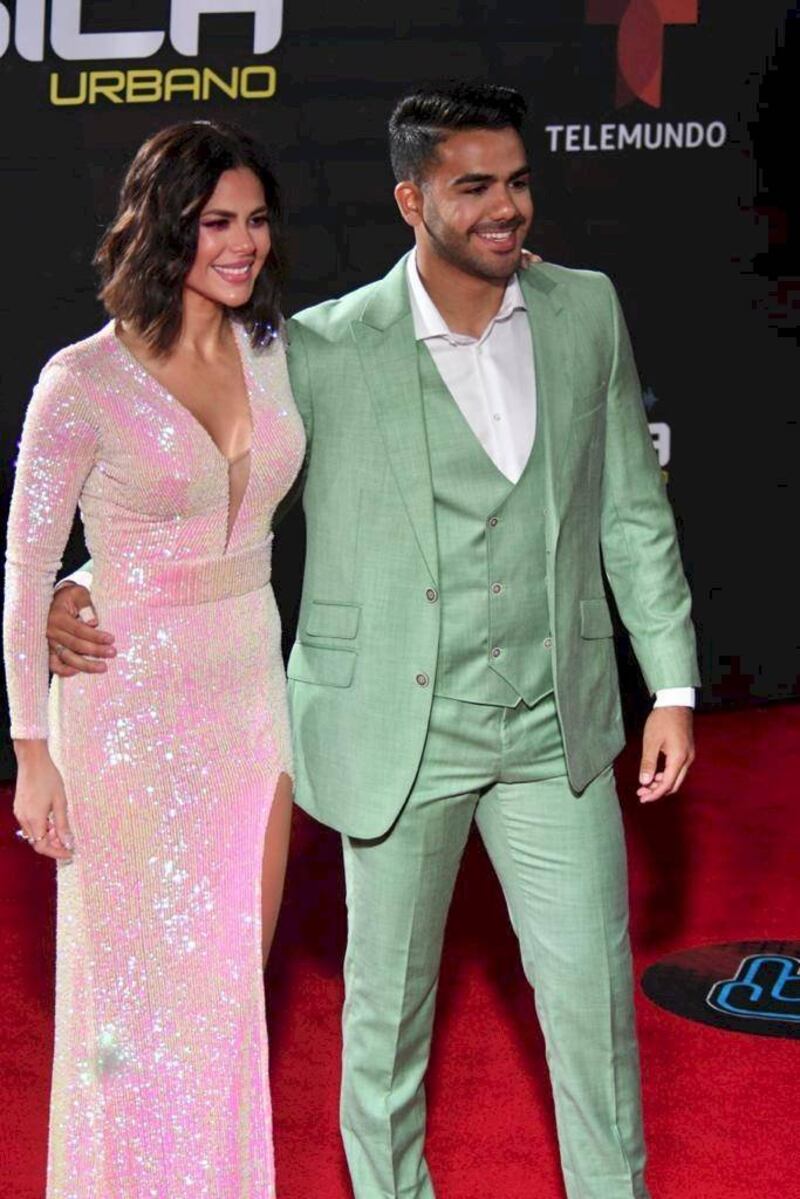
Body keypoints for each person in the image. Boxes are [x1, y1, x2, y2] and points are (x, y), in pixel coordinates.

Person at [48, 83, 698, 1199]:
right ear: (410, 199)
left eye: (518, 182)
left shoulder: (587, 309)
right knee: (386, 1022)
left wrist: (673, 684)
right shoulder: (321, 348)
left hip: (558, 727)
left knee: (593, 1010)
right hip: (397, 729)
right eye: (473, 187)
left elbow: (632, 514)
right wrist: (81, 582)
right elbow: (211, 488)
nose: (506, 208)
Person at [4, 120, 304, 1197]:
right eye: (216, 221)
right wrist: (30, 751)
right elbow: (24, 569)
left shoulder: (274, 348)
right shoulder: (80, 381)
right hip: (123, 709)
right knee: (131, 1014)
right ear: (166, 225)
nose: (242, 243)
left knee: (229, 992)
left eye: (255, 220)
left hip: (249, 699)